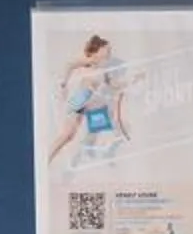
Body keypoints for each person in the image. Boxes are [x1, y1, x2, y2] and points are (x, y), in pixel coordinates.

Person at [43, 34, 130, 169]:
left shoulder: (105, 68)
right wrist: (63, 85)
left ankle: (92, 148)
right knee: (67, 135)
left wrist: (130, 83)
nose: (109, 52)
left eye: (110, 49)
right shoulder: (90, 60)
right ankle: (45, 160)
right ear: (99, 49)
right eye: (107, 49)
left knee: (74, 134)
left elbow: (112, 84)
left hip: (90, 101)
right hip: (81, 98)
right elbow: (69, 65)